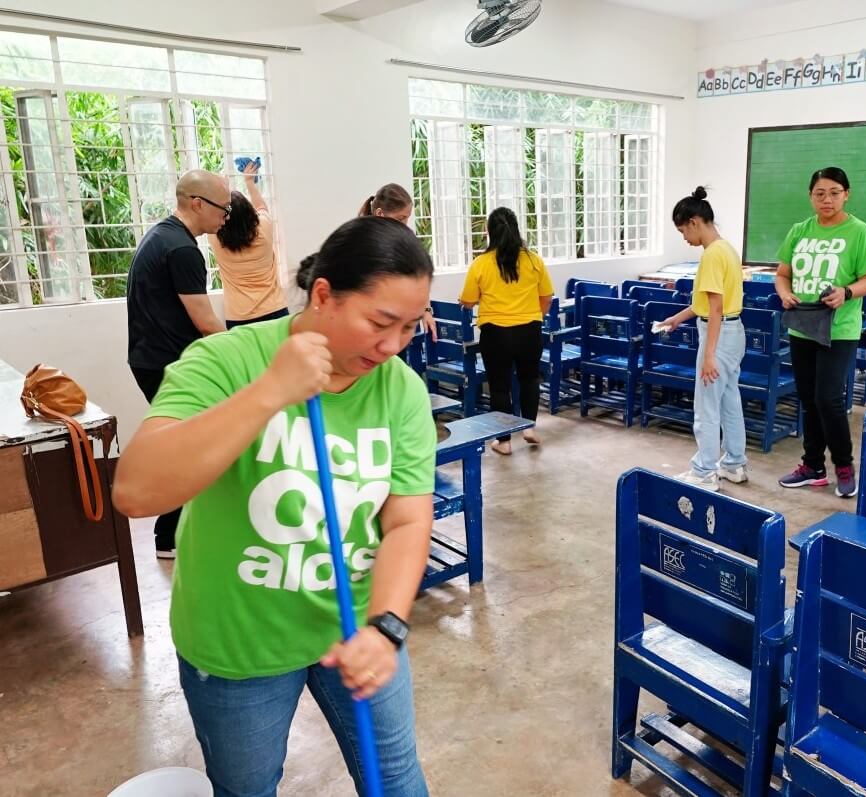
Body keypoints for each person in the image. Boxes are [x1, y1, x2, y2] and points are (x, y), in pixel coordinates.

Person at [112, 215, 435, 797]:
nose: (393, 347)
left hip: (355, 626)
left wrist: (387, 625)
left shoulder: (399, 389)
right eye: (380, 322)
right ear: (323, 295)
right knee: (248, 788)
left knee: (398, 781)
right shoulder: (226, 362)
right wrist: (270, 393)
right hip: (239, 643)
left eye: (410, 328)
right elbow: (136, 491)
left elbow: (407, 518)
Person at [126, 168, 227, 558]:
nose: (225, 216)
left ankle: (174, 532)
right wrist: (245, 356)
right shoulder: (182, 249)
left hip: (152, 360)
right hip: (168, 365)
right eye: (223, 207)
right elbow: (205, 322)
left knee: (187, 447)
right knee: (191, 450)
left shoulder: (162, 235)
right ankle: (170, 535)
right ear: (197, 203)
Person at [775, 166, 866, 498]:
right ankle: (812, 467)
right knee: (808, 399)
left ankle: (845, 467)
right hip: (803, 325)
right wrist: (784, 292)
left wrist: (846, 292)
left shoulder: (859, 231)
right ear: (810, 196)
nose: (827, 199)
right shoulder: (799, 230)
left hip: (840, 329)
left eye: (835, 192)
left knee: (828, 399)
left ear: (846, 194)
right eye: (820, 193)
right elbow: (782, 273)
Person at [659, 187, 747, 491]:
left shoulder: (711, 256)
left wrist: (709, 355)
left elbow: (715, 308)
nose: (684, 237)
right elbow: (705, 305)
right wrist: (676, 319)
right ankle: (734, 464)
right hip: (734, 333)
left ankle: (705, 471)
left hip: (718, 335)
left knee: (706, 407)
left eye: (683, 230)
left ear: (696, 222)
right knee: (728, 401)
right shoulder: (727, 249)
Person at [458, 207, 553, 455]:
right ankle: (530, 427)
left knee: (500, 387)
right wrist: (533, 317)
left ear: (489, 232)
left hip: (495, 333)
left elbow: (467, 301)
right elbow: (547, 297)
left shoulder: (480, 264)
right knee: (530, 378)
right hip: (529, 331)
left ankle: (504, 442)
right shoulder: (533, 260)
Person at [208, 160, 289, 329]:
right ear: (249, 212)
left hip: (239, 318)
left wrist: (220, 188)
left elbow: (210, 214)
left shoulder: (215, 238)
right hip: (275, 311)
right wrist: (249, 182)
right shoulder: (264, 229)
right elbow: (261, 206)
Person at [359, 183, 437, 342]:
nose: (405, 224)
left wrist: (426, 311)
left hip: (397, 322)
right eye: (400, 218)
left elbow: (418, 277)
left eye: (407, 218)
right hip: (370, 325)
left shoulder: (405, 241)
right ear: (380, 213)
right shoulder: (362, 240)